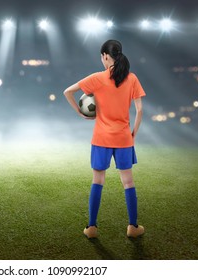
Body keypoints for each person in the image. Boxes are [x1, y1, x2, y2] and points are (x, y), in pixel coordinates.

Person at [63, 39, 146, 238]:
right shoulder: (131, 78)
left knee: (98, 180)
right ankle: (133, 228)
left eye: (102, 57)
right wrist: (133, 132)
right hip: (124, 138)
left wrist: (80, 113)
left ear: (105, 56)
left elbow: (67, 92)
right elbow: (140, 110)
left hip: (101, 138)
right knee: (128, 182)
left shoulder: (97, 78)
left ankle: (91, 228)